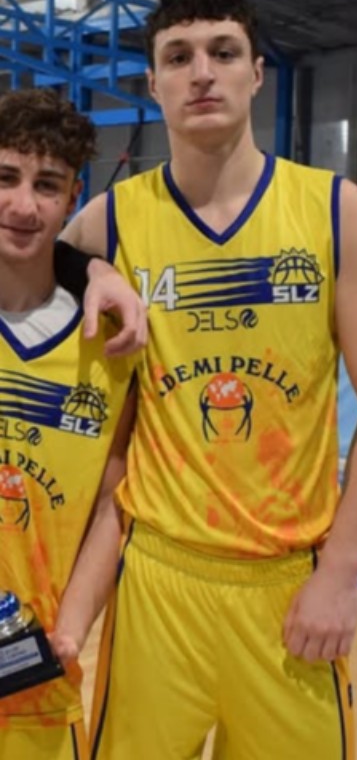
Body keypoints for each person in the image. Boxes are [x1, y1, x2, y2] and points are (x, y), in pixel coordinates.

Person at [57, 0, 357, 760]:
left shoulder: (333, 209)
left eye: (223, 52)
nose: (202, 73)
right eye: (178, 56)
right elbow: (21, 263)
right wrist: (86, 267)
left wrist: (342, 574)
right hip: (157, 581)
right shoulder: (110, 222)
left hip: (290, 586)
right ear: (153, 82)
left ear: (256, 74)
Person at [0, 89, 136, 760]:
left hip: (37, 676)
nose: (24, 205)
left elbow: (114, 501)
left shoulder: (111, 341)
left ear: (72, 197)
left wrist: (71, 632)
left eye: (47, 185)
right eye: (6, 178)